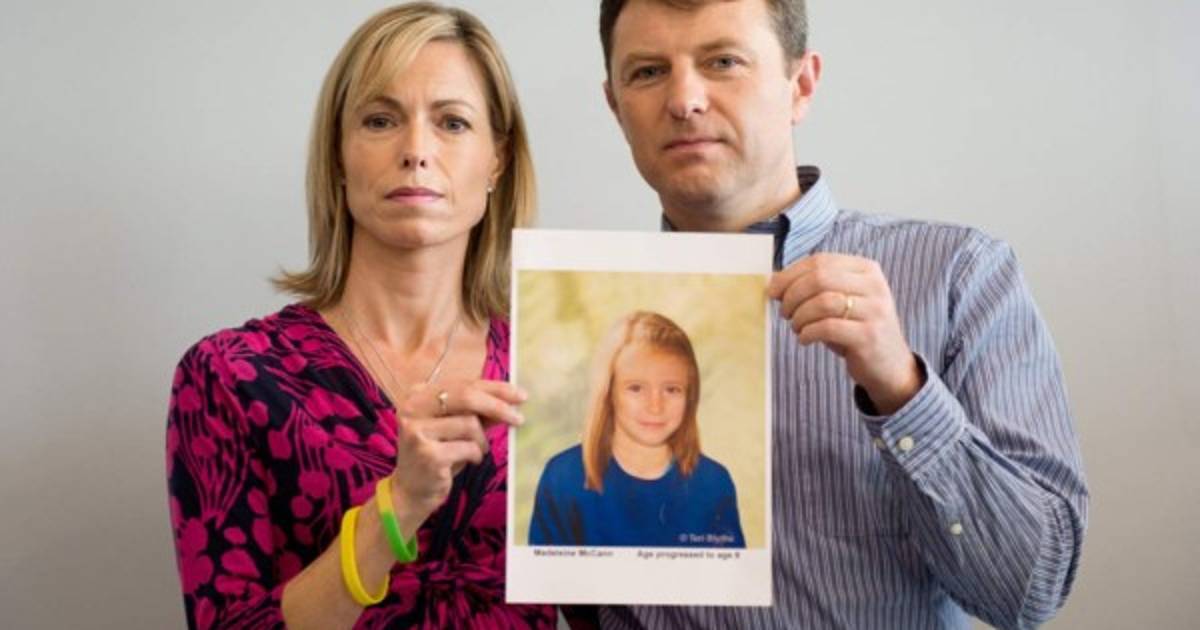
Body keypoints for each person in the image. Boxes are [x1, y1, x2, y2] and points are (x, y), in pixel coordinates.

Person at [587, 1, 1089, 629]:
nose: (685, 99)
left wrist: (901, 388)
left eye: (723, 62)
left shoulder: (960, 274)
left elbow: (1031, 591)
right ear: (616, 107)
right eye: (648, 72)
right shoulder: (572, 319)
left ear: (800, 85)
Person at [165, 4, 554, 628]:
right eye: (380, 120)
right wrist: (395, 507)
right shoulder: (230, 377)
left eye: (452, 122)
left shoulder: (554, 367)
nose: (416, 150)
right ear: (339, 157)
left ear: (497, 161)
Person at [528, 311, 745, 548]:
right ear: (608, 393)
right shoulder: (562, 478)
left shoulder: (714, 483)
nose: (655, 406)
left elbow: (732, 570)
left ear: (690, 396)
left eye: (672, 389)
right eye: (636, 388)